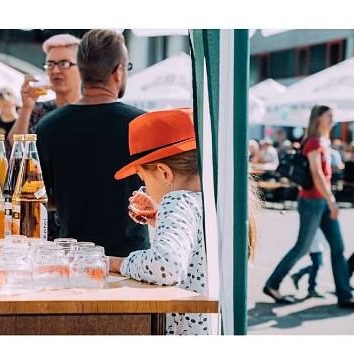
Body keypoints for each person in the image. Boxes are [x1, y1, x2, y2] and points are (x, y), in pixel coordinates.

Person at [109, 108, 256, 335]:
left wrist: (114, 263)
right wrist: (160, 221)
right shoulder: (218, 199)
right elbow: (200, 247)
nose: (145, 188)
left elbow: (165, 267)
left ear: (165, 173)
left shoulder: (177, 200)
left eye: (144, 179)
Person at [37, 29, 149, 256]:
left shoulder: (48, 127)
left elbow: (42, 197)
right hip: (131, 261)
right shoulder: (142, 125)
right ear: (118, 72)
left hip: (72, 258)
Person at [264, 105, 354, 309]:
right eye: (329, 116)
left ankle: (345, 294)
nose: (333, 119)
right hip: (313, 202)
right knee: (302, 247)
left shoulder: (321, 141)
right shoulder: (314, 142)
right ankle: (272, 284)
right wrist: (332, 200)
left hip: (320, 202)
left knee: (338, 248)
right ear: (318, 119)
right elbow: (317, 175)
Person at [7, 34, 82, 146]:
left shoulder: (92, 111)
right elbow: (14, 151)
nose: (55, 70)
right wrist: (27, 107)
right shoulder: (38, 111)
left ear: (82, 68)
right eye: (50, 64)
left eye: (64, 63)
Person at [291, 230, 328, 298]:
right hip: (313, 239)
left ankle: (298, 275)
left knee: (317, 264)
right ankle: (311, 288)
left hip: (317, 238)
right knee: (317, 264)